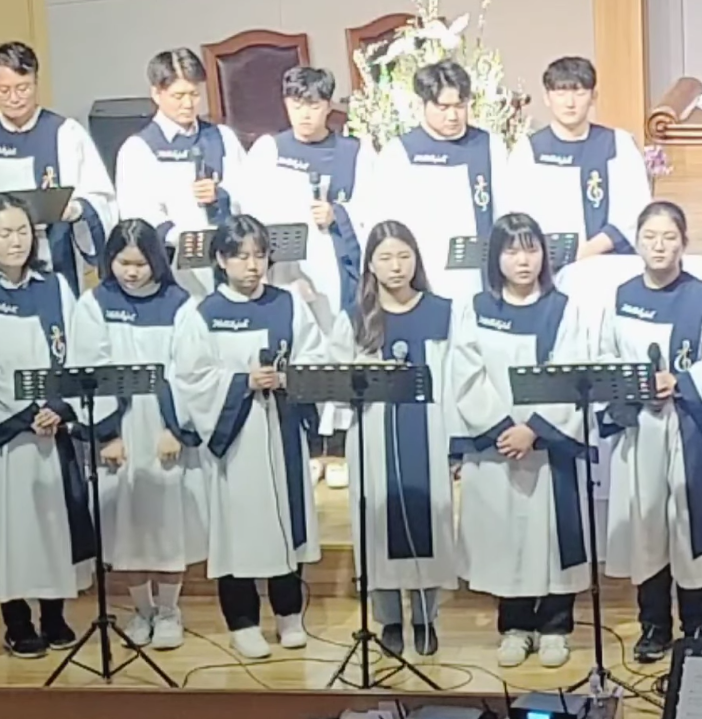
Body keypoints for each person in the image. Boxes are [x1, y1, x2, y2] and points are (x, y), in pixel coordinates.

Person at [171, 214, 332, 660]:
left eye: (259, 255)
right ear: (221, 260)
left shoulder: (288, 304)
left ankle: (289, 614)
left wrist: (287, 377)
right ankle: (242, 621)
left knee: (285, 522)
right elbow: (190, 377)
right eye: (241, 256)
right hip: (234, 439)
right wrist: (243, 382)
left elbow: (316, 357)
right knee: (237, 530)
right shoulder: (201, 313)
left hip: (281, 429)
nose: (252, 265)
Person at [596, 201, 702, 662]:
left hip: (689, 426)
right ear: (637, 243)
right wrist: (635, 387)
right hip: (642, 428)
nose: (659, 246)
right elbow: (604, 357)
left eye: (668, 237)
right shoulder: (621, 297)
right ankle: (654, 625)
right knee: (647, 525)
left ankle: (698, 625)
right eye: (649, 237)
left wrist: (680, 382)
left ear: (684, 242)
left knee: (690, 523)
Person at [0, 192, 93, 658]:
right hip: (4, 439)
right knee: (10, 529)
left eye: (23, 231)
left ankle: (54, 614)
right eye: (4, 232)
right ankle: (17, 620)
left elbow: (80, 349)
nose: (16, 241)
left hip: (52, 430)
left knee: (51, 525)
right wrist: (29, 414)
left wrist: (59, 408)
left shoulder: (55, 287)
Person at [453, 212, 597, 669]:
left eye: (531, 250)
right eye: (512, 251)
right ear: (495, 257)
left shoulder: (564, 309)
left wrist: (533, 429)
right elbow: (466, 374)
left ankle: (555, 626)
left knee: (551, 538)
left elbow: (573, 373)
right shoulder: (476, 308)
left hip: (547, 446)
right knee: (507, 535)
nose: (523, 260)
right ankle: (514, 626)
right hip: (498, 448)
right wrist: (502, 430)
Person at [67, 220, 205, 650]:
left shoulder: (180, 304)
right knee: (124, 527)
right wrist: (107, 434)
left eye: (140, 263)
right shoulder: (94, 304)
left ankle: (168, 611)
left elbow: (192, 370)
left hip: (163, 428)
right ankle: (141, 611)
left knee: (166, 524)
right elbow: (88, 366)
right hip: (121, 430)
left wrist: (176, 429)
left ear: (156, 262)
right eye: (122, 262)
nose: (131, 272)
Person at [237, 65, 373, 489]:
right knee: (298, 351)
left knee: (338, 348)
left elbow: (377, 209)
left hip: (336, 267)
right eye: (296, 105)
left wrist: (339, 215)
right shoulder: (269, 151)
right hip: (286, 271)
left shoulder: (355, 152)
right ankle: (310, 444)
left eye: (313, 105)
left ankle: (338, 446)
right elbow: (249, 211)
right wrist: (275, 267)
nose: (305, 114)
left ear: (328, 105)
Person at [341, 221, 460, 657]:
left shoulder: (443, 312)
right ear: (370, 265)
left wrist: (456, 443)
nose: (396, 267)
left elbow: (456, 377)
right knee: (377, 525)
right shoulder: (356, 317)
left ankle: (426, 617)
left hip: (428, 430)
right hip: (373, 433)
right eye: (386, 258)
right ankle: (388, 619)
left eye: (404, 256)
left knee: (428, 524)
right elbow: (336, 378)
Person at [0, 41, 117, 296]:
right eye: (4, 90)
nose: (14, 98)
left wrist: (76, 209)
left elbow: (101, 198)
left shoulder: (66, 133)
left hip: (54, 261)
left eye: (23, 88)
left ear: (36, 82)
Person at [113, 49, 243, 296]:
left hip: (225, 260)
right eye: (178, 95)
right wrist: (181, 240)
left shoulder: (222, 137)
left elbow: (248, 191)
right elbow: (138, 212)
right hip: (173, 265)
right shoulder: (138, 148)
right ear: (156, 93)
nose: (188, 104)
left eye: (194, 94)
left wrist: (220, 194)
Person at [368, 59, 499, 301]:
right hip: (424, 272)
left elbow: (507, 212)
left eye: (460, 106)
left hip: (479, 276)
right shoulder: (399, 153)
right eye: (443, 107)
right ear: (422, 104)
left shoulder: (489, 145)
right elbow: (385, 223)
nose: (453, 116)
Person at [503, 56, 651, 264]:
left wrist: (586, 252)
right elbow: (517, 214)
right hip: (546, 265)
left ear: (593, 97)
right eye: (560, 93)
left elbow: (634, 211)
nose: (570, 103)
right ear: (547, 98)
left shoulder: (617, 144)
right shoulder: (529, 150)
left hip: (609, 263)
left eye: (579, 93)